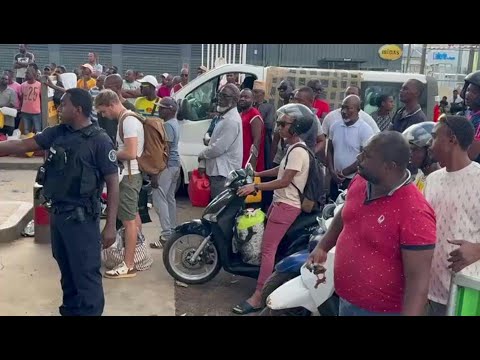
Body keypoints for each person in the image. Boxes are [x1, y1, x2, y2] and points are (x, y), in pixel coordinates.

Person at [0, 88, 120, 315]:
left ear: (78, 109)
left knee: (86, 275)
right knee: (67, 272)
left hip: (82, 220)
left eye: (63, 105)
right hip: (59, 216)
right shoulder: (58, 133)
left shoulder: (100, 141)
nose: (59, 108)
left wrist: (111, 225)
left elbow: (113, 183)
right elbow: (22, 145)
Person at [308, 131, 436, 316]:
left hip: (382, 311)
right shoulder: (361, 181)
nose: (359, 158)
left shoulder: (415, 212)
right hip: (346, 300)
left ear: (389, 167)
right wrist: (323, 246)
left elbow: (418, 285)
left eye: (367, 155)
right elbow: (346, 213)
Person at [233, 103, 314, 314]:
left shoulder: (298, 151)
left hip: (286, 205)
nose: (278, 127)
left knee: (268, 251)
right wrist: (258, 173)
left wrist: (255, 185)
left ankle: (259, 296)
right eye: (279, 123)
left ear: (295, 127)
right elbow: (281, 170)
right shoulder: (294, 148)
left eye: (283, 124)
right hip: (280, 203)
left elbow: (284, 181)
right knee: (270, 249)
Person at [425, 115, 480, 316]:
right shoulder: (432, 180)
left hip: (467, 294)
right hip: (429, 292)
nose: (430, 145)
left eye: (434, 137)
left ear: (452, 139)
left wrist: (478, 249)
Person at [95, 89, 145, 279]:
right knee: (133, 215)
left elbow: (131, 152)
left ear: (111, 104)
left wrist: (110, 154)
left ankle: (128, 264)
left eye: (103, 111)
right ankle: (136, 254)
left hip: (129, 175)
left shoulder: (128, 121)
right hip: (132, 174)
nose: (103, 115)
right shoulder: (128, 119)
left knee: (128, 221)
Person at [198, 83, 243, 199]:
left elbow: (218, 148)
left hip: (224, 173)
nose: (220, 99)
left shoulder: (231, 120)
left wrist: (202, 155)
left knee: (218, 212)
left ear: (234, 100)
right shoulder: (224, 117)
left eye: (224, 96)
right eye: (219, 95)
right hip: (219, 172)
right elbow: (216, 141)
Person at [327, 95, 374, 200]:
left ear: (358, 110)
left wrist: (344, 173)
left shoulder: (365, 129)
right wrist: (331, 171)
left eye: (349, 108)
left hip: (353, 180)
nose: (344, 111)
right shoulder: (335, 126)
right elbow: (330, 150)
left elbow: (364, 157)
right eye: (342, 107)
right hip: (335, 179)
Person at [149, 97, 181, 248]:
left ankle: (166, 235)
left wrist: (155, 171)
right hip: (175, 165)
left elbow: (164, 150)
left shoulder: (167, 125)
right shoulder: (174, 123)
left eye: (162, 108)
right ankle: (173, 231)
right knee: (169, 199)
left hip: (167, 166)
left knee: (159, 198)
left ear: (170, 110)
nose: (159, 110)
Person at [402, 122, 440, 193]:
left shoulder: (438, 181)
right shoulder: (420, 176)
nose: (410, 154)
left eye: (414, 149)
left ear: (429, 150)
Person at [99, 74, 137, 143]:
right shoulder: (103, 107)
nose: (104, 90)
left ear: (117, 87)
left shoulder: (130, 108)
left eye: (107, 87)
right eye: (104, 87)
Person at [238, 89, 265, 171]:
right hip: (241, 155)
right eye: (241, 96)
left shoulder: (254, 115)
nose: (242, 99)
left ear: (253, 100)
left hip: (249, 159)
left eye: (246, 97)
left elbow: (257, 140)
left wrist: (252, 164)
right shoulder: (241, 114)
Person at [272, 79, 295, 166]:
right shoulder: (281, 110)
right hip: (279, 155)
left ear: (292, 89)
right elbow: (276, 137)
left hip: (292, 154)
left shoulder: (296, 112)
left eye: (284, 88)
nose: (281, 90)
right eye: (279, 88)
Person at [252, 80, 275, 169]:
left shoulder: (269, 107)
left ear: (262, 93)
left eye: (256, 92)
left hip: (264, 139)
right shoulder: (250, 106)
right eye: (253, 92)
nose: (254, 94)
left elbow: (269, 124)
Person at [20, 67, 42, 134]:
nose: (26, 74)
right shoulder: (22, 85)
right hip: (25, 112)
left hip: (36, 112)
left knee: (37, 130)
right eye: (26, 73)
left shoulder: (39, 85)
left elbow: (41, 98)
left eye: (28, 73)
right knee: (26, 131)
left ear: (34, 75)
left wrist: (41, 109)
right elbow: (21, 98)